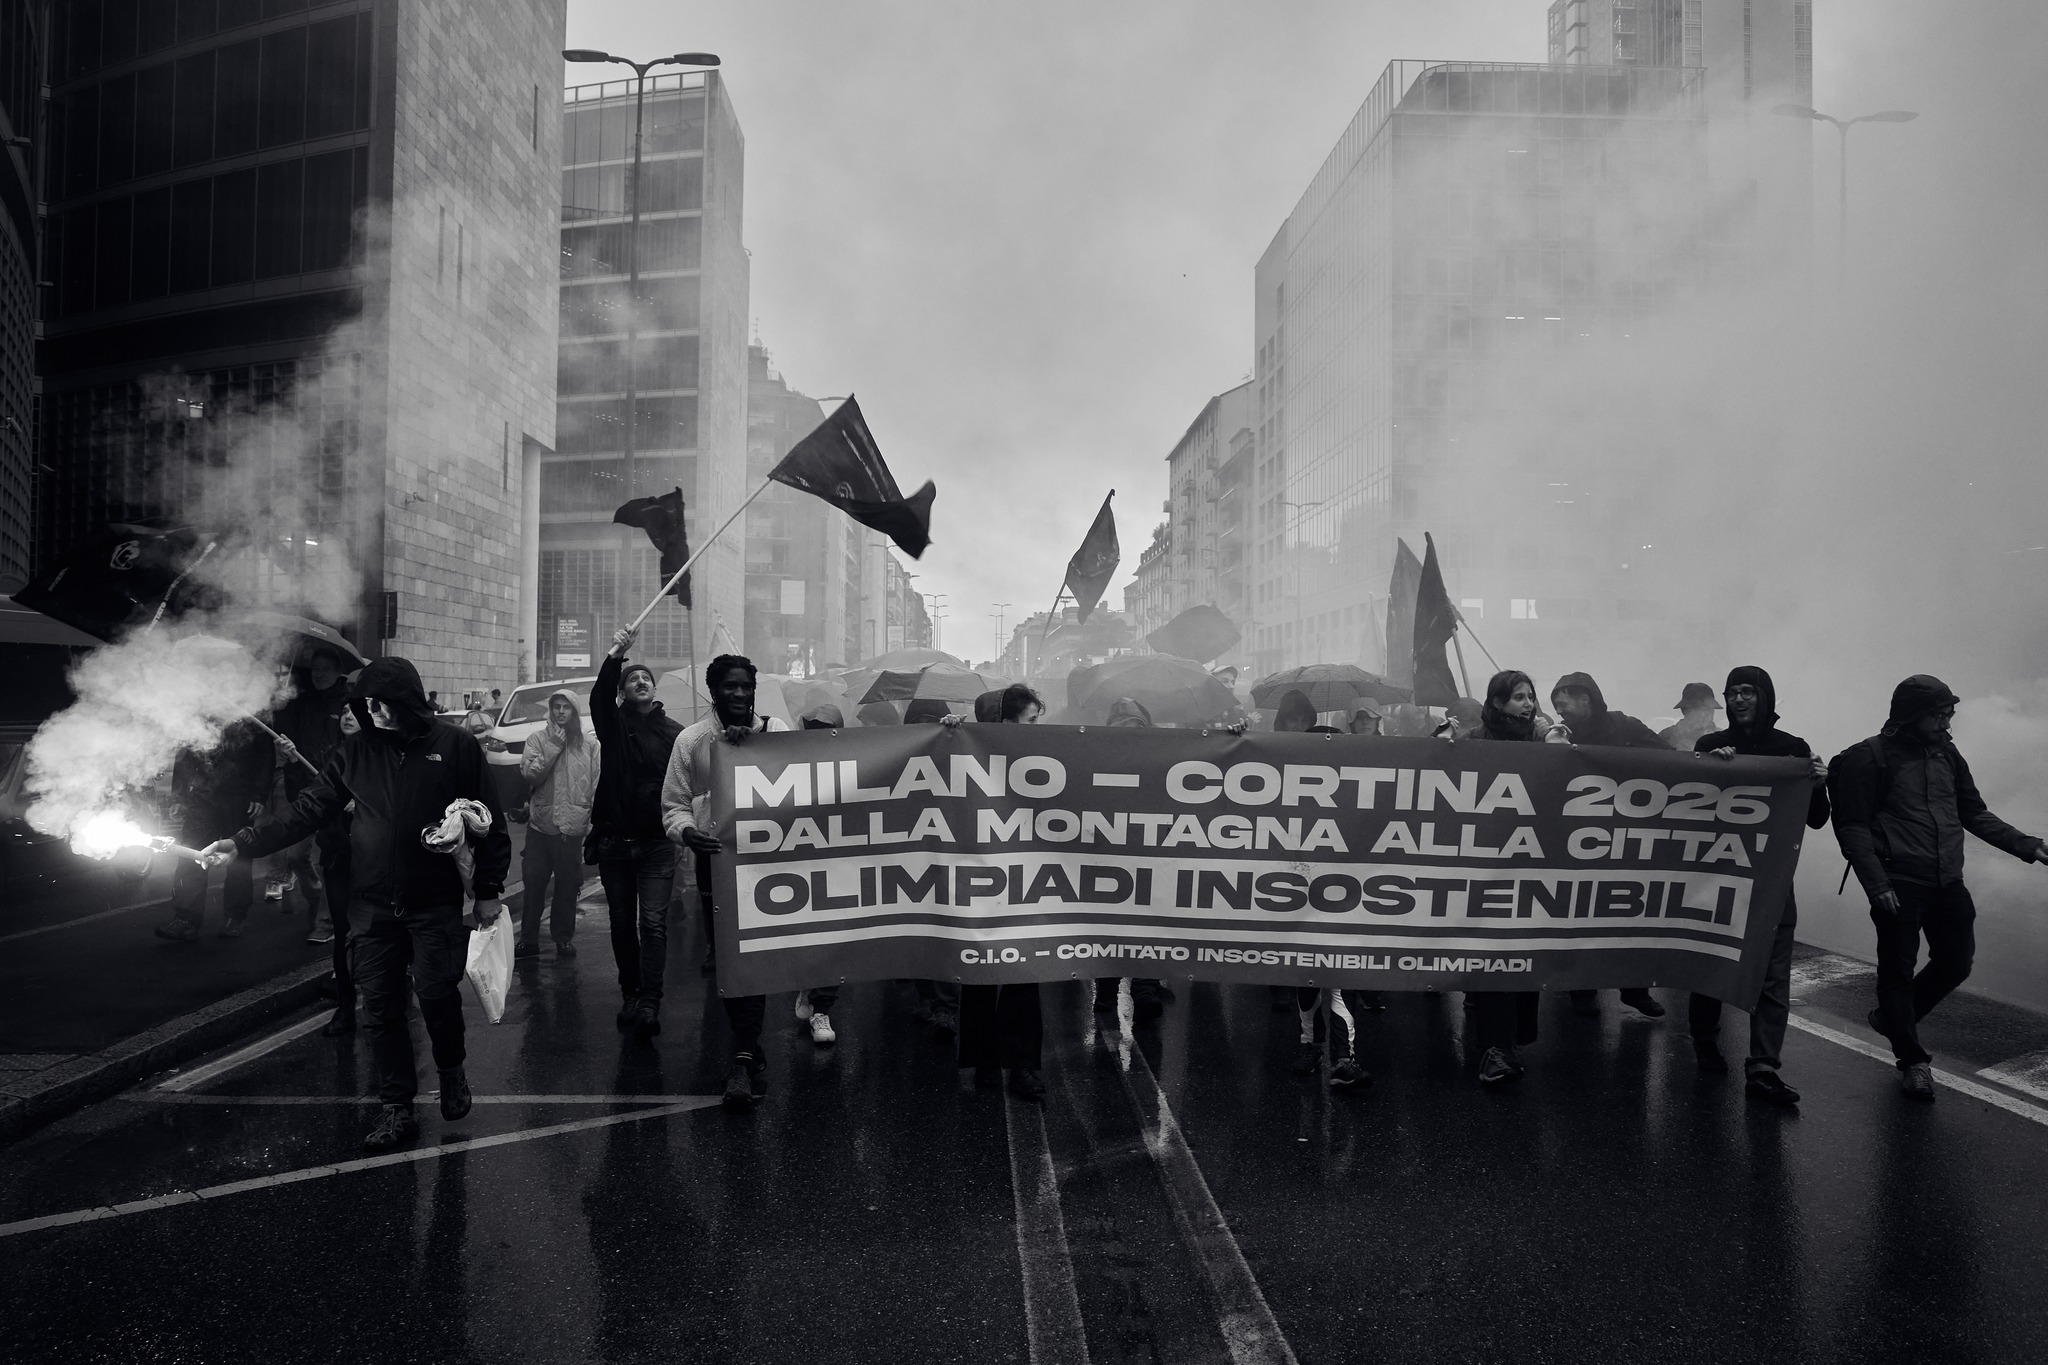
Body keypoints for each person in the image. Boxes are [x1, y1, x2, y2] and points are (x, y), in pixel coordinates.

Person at [205, 656, 509, 1152]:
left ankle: (451, 1069)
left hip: (432, 900)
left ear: (405, 699)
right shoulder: (354, 751)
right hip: (370, 905)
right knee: (382, 1009)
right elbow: (308, 810)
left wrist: (490, 891)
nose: (371, 711)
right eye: (364, 703)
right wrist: (242, 842)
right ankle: (396, 1108)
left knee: (436, 995)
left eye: (380, 702)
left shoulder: (453, 746)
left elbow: (489, 819)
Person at [1832, 674, 2048, 1101]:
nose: (1948, 722)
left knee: (1956, 961)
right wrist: (1876, 884)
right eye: (1940, 713)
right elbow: (1852, 827)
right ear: (1913, 714)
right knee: (1897, 971)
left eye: (1950, 713)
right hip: (1898, 883)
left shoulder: (1947, 754)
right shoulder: (1869, 757)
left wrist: (2029, 845)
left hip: (1947, 880)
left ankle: (1894, 1019)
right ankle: (1913, 1061)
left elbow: (1975, 813)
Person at [1687, 667, 1828, 1106]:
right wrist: (1713, 770)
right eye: (1733, 693)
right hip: (1718, 879)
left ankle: (1764, 1067)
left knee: (1773, 978)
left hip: (1770, 883)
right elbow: (1689, 808)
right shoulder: (1710, 747)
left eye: (1748, 692)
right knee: (1710, 965)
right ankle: (1705, 1039)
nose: (1739, 699)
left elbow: (1817, 818)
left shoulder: (1792, 750)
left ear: (1766, 697)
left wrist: (1818, 783)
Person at [661, 651, 792, 1108]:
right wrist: (687, 832)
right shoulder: (692, 741)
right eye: (729, 687)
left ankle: (744, 1052)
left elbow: (811, 783)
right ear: (713, 692)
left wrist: (752, 750)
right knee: (734, 960)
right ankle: (744, 1054)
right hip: (716, 864)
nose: (739, 694)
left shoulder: (776, 733)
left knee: (756, 961)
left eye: (745, 687)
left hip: (773, 868)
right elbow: (673, 805)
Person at [1550, 672, 1670, 1020]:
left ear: (1586, 698)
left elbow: (1670, 758)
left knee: (1627, 913)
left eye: (1564, 702)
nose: (1559, 710)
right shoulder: (1559, 737)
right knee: (1578, 915)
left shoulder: (1626, 726)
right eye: (1556, 704)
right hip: (1579, 839)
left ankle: (1634, 989)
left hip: (1626, 837)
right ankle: (1581, 990)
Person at [590, 626, 685, 1039]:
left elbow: (694, 773)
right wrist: (616, 656)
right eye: (633, 679)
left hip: (657, 845)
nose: (641, 681)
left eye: (646, 678)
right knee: (620, 923)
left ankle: (650, 1001)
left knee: (653, 924)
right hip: (613, 842)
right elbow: (598, 697)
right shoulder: (611, 725)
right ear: (624, 691)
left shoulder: (675, 732)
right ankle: (630, 993)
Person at [958, 685, 1048, 1100]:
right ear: (1006, 723)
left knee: (1024, 973)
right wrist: (950, 736)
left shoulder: (1046, 756)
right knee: (978, 972)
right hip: (979, 877)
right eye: (1031, 720)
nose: (1037, 728)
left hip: (1026, 880)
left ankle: (1024, 1065)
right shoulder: (968, 750)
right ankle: (986, 1060)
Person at [1464, 670, 1548, 1084]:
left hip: (1530, 868)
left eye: (1530, 697)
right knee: (1492, 955)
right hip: (1484, 869)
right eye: (1518, 697)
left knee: (1522, 958)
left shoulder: (1544, 742)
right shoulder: (1474, 742)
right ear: (1497, 703)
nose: (1528, 704)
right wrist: (1439, 749)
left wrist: (1562, 750)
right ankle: (1495, 1050)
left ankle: (1508, 1041)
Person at [154, 718, 273, 942]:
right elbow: (184, 755)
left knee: (238, 856)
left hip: (239, 797)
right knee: (190, 855)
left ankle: (235, 918)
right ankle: (186, 919)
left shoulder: (251, 710)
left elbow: (265, 756)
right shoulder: (199, 708)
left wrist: (259, 794)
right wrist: (179, 796)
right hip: (201, 797)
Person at [1092, 696, 1171, 1022]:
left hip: (1150, 853)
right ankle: (1107, 992)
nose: (1129, 734)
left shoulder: (1163, 757)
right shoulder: (1095, 757)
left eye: (1135, 727)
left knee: (1149, 922)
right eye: (1122, 728)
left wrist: (1234, 738)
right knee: (1111, 925)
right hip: (1110, 855)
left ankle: (1145, 989)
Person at [274, 649, 352, 948]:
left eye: (326, 668)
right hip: (303, 789)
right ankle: (319, 898)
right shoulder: (301, 700)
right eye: (315, 668)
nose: (320, 674)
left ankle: (325, 921)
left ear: (338, 671)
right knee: (296, 855)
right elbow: (286, 734)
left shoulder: (347, 702)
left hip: (335, 792)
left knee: (330, 856)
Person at [518, 689, 597, 961]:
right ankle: (528, 940)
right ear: (550, 711)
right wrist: (552, 745)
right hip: (541, 827)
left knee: (567, 887)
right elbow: (530, 775)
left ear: (574, 712)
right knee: (534, 886)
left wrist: (591, 822)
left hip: (572, 829)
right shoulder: (538, 739)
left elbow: (597, 784)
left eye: (566, 707)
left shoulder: (588, 745)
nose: (561, 712)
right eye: (556, 707)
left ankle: (563, 938)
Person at [1660, 682, 1722, 751]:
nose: (1703, 715)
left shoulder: (1722, 738)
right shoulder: (1666, 737)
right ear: (1684, 711)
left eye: (1708, 709)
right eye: (1697, 709)